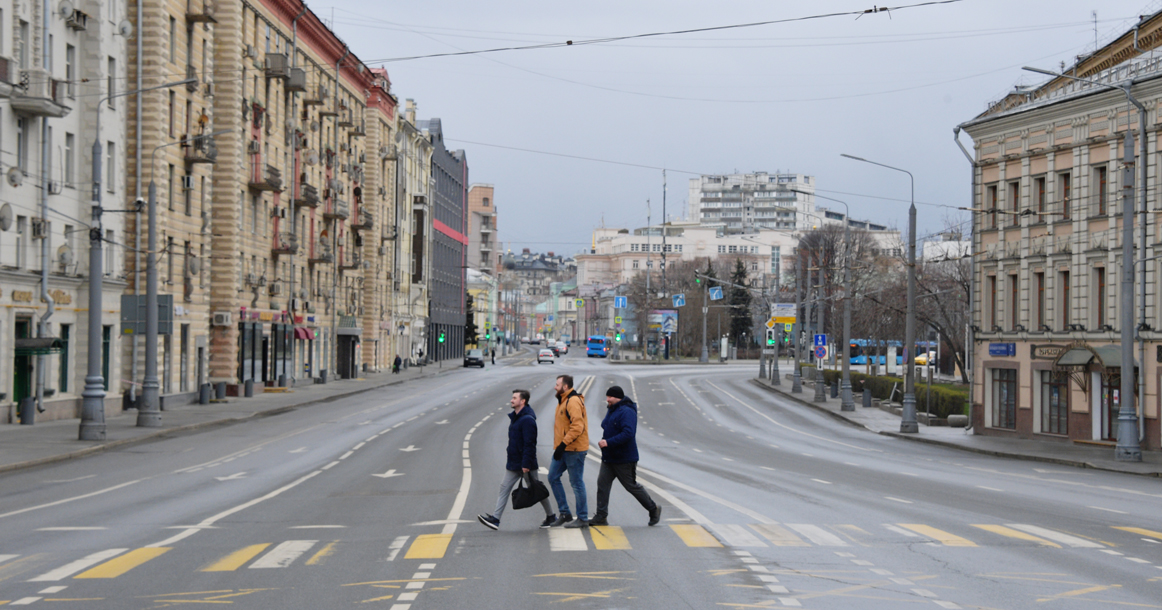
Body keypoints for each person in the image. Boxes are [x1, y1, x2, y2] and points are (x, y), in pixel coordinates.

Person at [478, 389, 556, 530]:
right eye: (512, 397)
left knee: (536, 490)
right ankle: (496, 519)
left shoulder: (527, 420)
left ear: (523, 401)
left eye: (514, 398)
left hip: (525, 464)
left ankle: (551, 516)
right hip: (514, 463)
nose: (511, 400)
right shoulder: (516, 417)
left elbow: (530, 444)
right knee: (504, 488)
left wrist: (526, 464)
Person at [589, 386, 661, 527]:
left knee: (631, 486)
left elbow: (628, 433)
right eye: (607, 397)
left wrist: (608, 442)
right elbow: (605, 424)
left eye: (610, 397)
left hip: (624, 458)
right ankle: (601, 516)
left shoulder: (627, 412)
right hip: (609, 457)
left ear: (618, 398)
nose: (607, 399)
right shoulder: (613, 409)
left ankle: (654, 509)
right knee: (602, 485)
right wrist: (610, 410)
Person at [547, 374, 589, 528]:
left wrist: (562, 445)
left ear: (565, 387)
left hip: (574, 450)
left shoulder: (573, 401)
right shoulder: (563, 400)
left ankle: (583, 518)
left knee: (576, 483)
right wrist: (560, 447)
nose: (555, 387)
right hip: (563, 449)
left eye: (557, 385)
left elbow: (578, 427)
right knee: (552, 477)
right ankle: (565, 513)